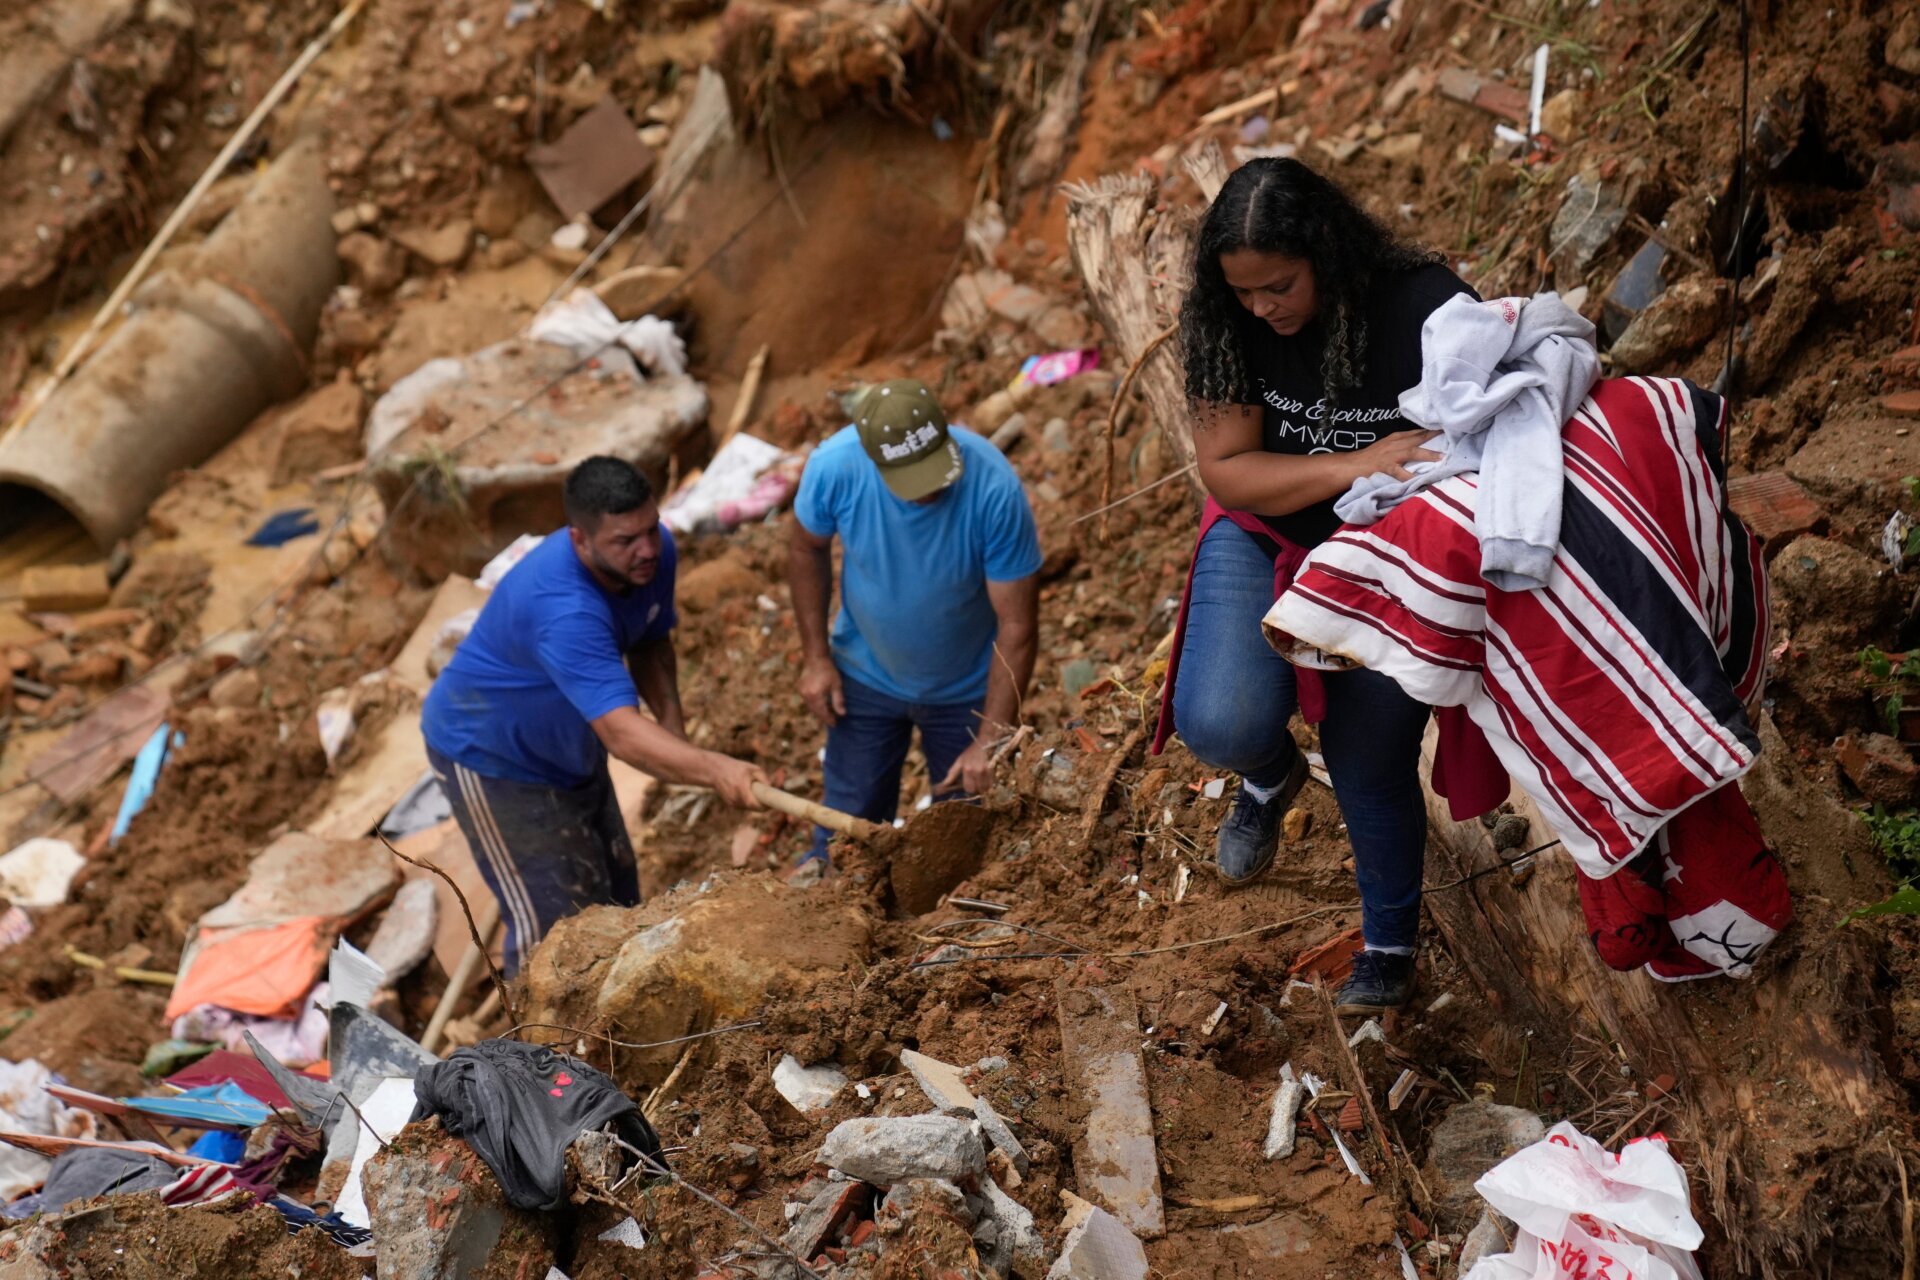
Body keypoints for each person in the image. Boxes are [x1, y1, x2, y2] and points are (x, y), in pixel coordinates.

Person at [1153, 157, 1478, 1014]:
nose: (1262, 307)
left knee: (1368, 754)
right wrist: (1356, 464)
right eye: (1244, 292)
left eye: (1280, 285)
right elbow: (1228, 471)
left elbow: (1484, 434)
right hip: (1269, 533)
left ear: (1329, 252)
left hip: (1387, 553)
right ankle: (1266, 775)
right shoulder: (1227, 322)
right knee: (1220, 719)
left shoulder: (1427, 305)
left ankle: (1388, 948)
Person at [422, 456, 766, 974]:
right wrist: (715, 768)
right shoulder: (566, 609)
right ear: (579, 539)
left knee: (617, 908)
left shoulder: (653, 555)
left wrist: (677, 737)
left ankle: (608, 1044)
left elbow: (651, 639)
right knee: (556, 938)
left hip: (569, 751)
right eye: (624, 541)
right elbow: (623, 734)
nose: (647, 549)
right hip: (495, 760)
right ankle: (538, 1052)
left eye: (650, 529)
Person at [789, 379, 1042, 863]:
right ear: (873, 460)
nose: (930, 489)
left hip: (966, 688)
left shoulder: (993, 486)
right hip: (865, 672)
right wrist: (816, 658)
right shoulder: (835, 467)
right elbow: (804, 548)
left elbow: (1018, 626)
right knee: (846, 835)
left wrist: (991, 736)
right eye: (911, 478)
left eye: (935, 470)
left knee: (962, 843)